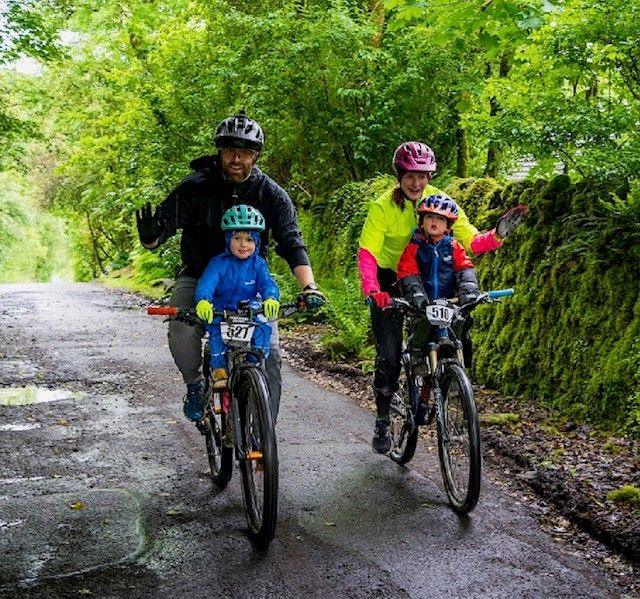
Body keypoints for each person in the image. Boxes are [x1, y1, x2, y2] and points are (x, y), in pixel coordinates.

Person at [136, 110, 325, 421]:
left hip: (250, 281)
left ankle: (264, 430)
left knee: (272, 355)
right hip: (199, 277)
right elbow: (160, 231)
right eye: (229, 151)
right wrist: (150, 238)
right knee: (181, 332)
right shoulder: (195, 187)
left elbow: (292, 244)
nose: (236, 159)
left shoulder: (272, 194)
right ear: (219, 151)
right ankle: (195, 385)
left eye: (245, 153)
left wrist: (309, 287)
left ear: (256, 156)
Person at [358, 141, 527, 453]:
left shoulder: (442, 202)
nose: (416, 182)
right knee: (390, 356)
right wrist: (373, 290)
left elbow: (471, 243)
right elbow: (368, 252)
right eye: (410, 175)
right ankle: (383, 419)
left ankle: (448, 379)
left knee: (459, 332)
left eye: (423, 176)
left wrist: (498, 235)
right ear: (399, 175)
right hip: (389, 280)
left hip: (432, 281)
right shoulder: (383, 206)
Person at [193, 205, 279, 406]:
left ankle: (255, 365)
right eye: (237, 238)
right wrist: (204, 300)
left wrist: (271, 298)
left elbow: (267, 283)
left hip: (248, 308)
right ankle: (219, 369)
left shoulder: (258, 264)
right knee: (216, 334)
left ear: (257, 242)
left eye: (249, 239)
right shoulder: (218, 263)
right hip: (221, 308)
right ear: (228, 240)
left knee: (262, 326)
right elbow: (207, 283)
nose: (243, 245)